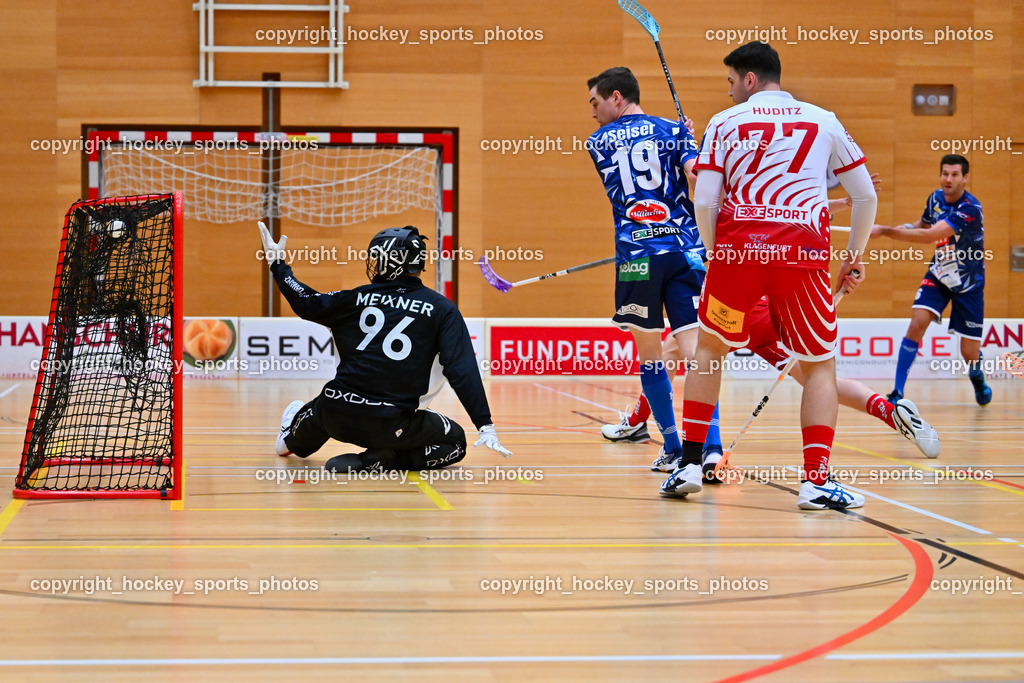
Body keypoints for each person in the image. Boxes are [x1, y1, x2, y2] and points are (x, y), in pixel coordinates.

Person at [663, 41, 878, 510]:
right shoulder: (824, 119)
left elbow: (705, 200)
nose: (729, 91)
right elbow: (865, 197)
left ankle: (689, 465)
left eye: (731, 82)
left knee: (709, 351)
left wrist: (717, 252)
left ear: (750, 80)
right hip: (802, 258)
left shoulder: (724, 123)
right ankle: (816, 482)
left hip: (737, 255)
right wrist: (852, 257)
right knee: (819, 364)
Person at [257, 223, 513, 472]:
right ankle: (384, 459)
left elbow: (304, 300)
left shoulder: (354, 298)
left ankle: (290, 440)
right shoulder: (442, 310)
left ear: (394, 262)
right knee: (455, 442)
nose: (375, 264)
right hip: (390, 425)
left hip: (333, 413)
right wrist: (484, 424)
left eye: (378, 258)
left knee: (314, 416)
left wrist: (277, 265)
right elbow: (462, 369)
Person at [586, 66, 722, 476]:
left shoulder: (596, 142)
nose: (592, 113)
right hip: (685, 250)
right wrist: (688, 140)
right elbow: (701, 182)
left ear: (615, 96)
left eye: (595, 102)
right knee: (698, 354)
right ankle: (711, 449)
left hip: (637, 257)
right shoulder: (674, 130)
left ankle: (673, 448)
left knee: (650, 357)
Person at [870, 154, 990, 406]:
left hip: (968, 284)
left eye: (955, 174)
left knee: (968, 353)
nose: (948, 179)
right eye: (945, 173)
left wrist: (886, 232)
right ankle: (897, 392)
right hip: (939, 273)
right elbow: (923, 226)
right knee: (917, 322)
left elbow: (930, 236)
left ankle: (977, 375)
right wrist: (904, 227)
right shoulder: (935, 198)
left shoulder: (970, 209)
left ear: (965, 178)